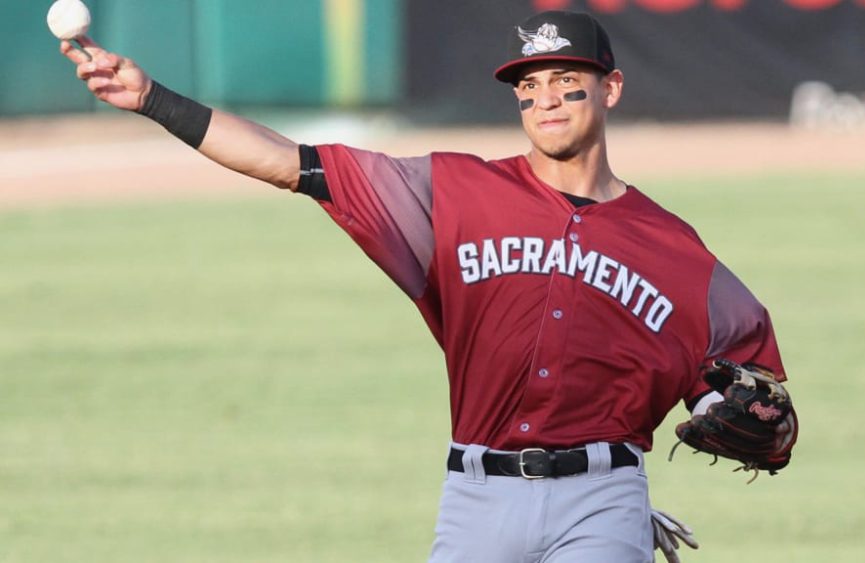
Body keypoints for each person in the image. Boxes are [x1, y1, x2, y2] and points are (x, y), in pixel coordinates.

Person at [62, 10, 795, 563]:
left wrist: (767, 420)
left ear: (611, 88)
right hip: (476, 496)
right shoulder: (451, 192)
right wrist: (152, 97)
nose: (546, 101)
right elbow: (290, 163)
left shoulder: (673, 248)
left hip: (601, 501)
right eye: (529, 87)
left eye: (567, 84)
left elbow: (760, 386)